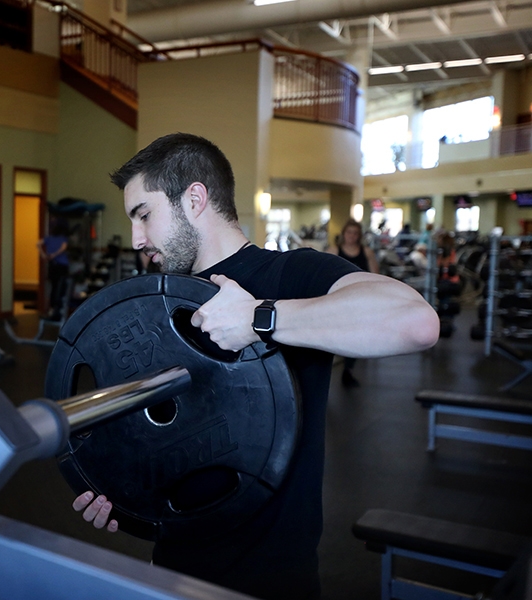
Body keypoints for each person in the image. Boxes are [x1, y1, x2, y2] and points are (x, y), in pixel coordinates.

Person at [70, 133, 439, 600]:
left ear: (195, 199)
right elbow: (158, 431)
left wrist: (262, 317)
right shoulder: (155, 304)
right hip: (171, 572)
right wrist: (121, 491)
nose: (137, 238)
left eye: (144, 214)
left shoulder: (289, 275)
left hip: (271, 580)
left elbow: (416, 322)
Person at [325, 219, 380, 387]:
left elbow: (375, 276)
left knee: (354, 336)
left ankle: (348, 371)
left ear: (359, 236)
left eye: (355, 233)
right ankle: (325, 371)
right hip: (338, 299)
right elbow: (323, 274)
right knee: (331, 337)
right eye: (349, 232)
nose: (352, 236)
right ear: (343, 234)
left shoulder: (366, 252)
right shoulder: (334, 251)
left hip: (359, 301)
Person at [37, 221, 69, 319]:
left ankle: (52, 309)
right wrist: (55, 254)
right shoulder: (63, 238)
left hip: (52, 265)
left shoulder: (48, 239)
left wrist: (44, 255)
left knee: (54, 287)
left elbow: (38, 244)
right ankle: (59, 309)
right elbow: (63, 248)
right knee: (61, 288)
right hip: (62, 266)